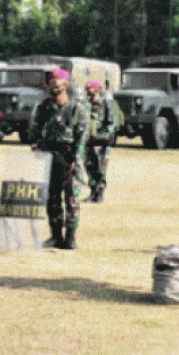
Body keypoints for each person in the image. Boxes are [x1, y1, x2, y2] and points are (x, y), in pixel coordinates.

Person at [29, 68, 89, 249]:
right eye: (50, 80)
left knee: (72, 199)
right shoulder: (44, 107)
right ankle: (55, 236)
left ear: (66, 83)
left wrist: (75, 158)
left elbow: (83, 136)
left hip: (69, 158)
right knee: (52, 198)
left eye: (57, 79)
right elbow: (34, 130)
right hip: (49, 157)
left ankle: (70, 237)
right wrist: (38, 145)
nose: (53, 82)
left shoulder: (77, 109)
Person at [83, 80, 119, 203]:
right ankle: (93, 192)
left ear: (97, 90)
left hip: (101, 143)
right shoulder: (85, 105)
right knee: (89, 167)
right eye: (86, 89)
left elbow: (112, 123)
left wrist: (104, 136)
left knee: (100, 168)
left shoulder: (106, 104)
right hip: (88, 142)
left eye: (90, 88)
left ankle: (100, 193)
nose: (87, 91)